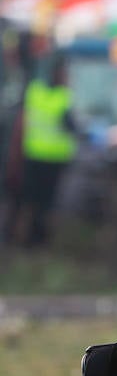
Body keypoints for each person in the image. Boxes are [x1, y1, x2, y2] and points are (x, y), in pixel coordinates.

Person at [2, 58, 77, 247]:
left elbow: (22, 123)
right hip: (53, 160)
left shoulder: (34, 92)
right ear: (57, 74)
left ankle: (13, 236)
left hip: (31, 155)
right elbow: (70, 126)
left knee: (25, 199)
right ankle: (35, 240)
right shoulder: (63, 98)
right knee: (44, 203)